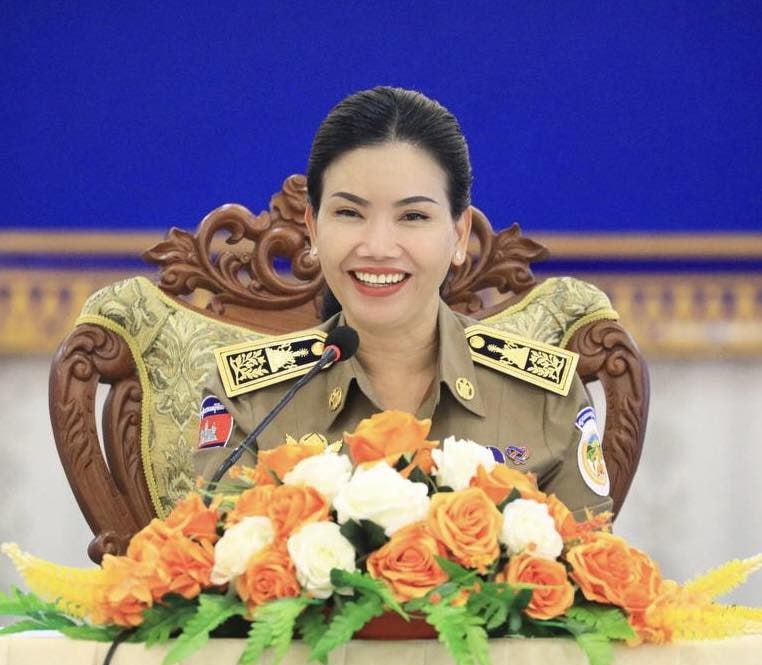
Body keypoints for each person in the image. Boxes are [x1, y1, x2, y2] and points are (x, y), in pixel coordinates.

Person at [194, 86, 612, 518]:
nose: (378, 247)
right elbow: (215, 552)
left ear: (459, 234)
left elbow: (588, 558)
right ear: (313, 229)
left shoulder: (544, 399)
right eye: (349, 213)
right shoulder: (253, 400)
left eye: (413, 216)